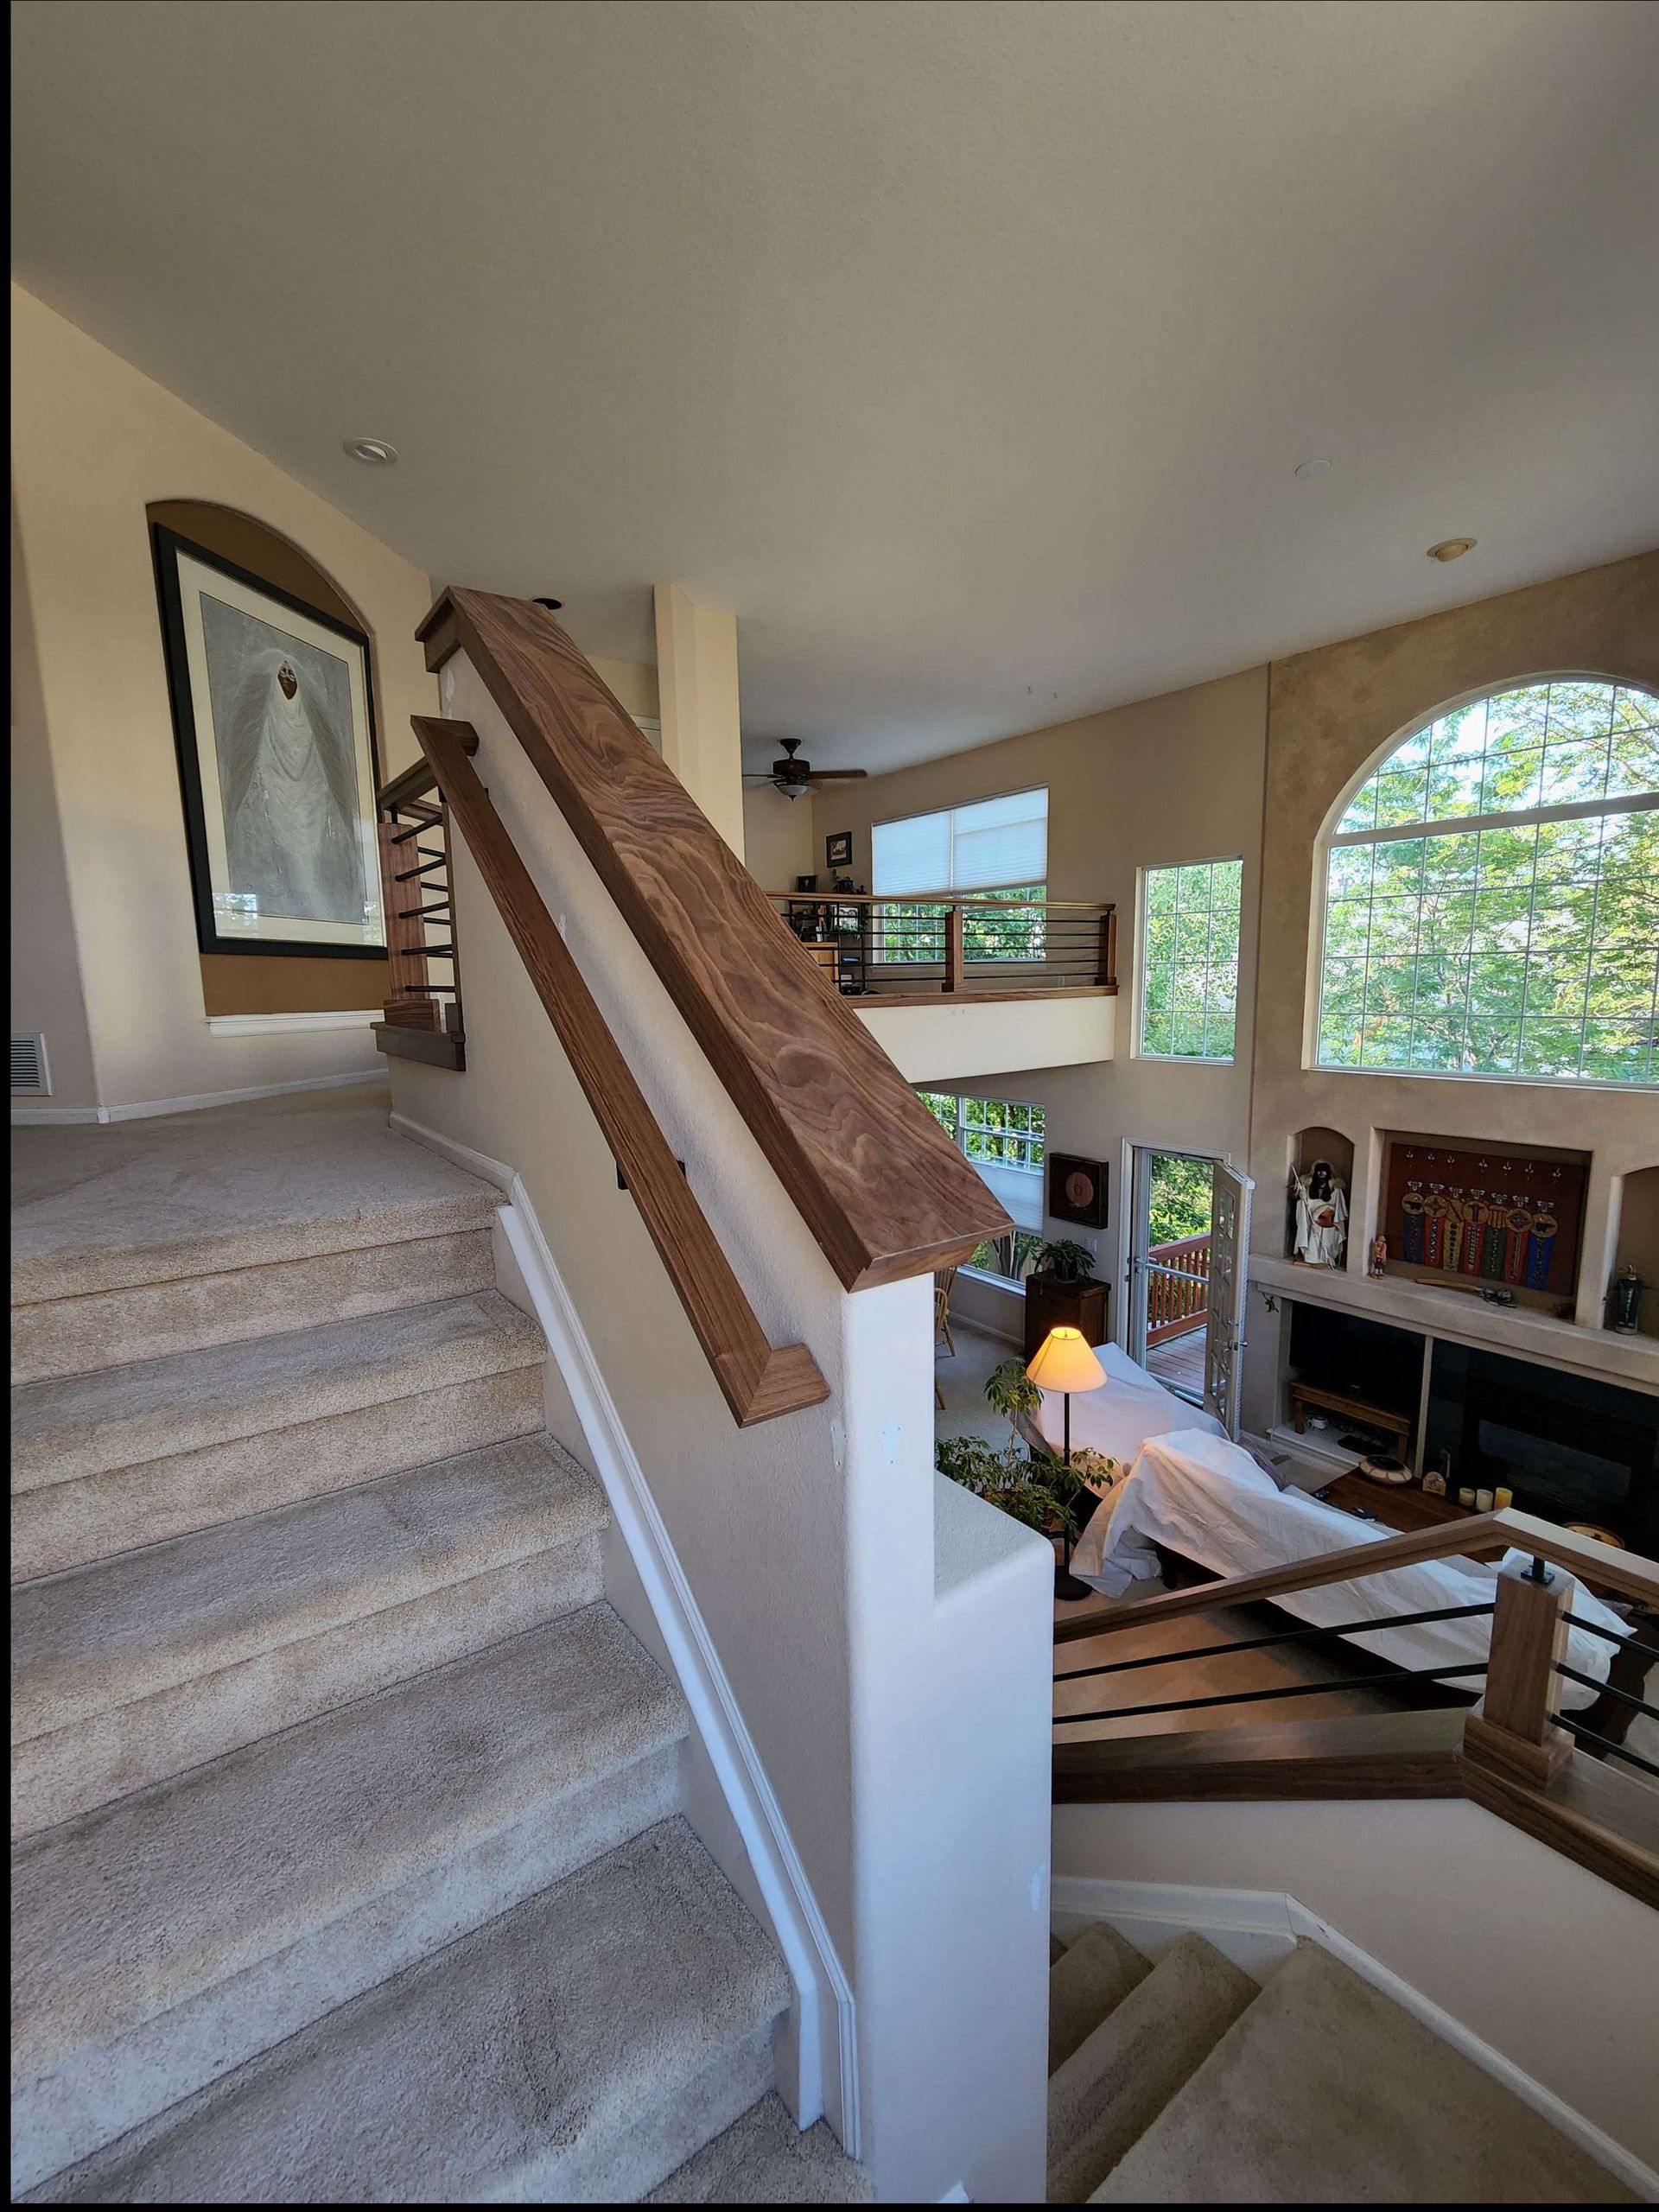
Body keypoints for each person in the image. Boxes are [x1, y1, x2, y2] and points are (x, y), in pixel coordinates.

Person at [217, 641, 364, 925]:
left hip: (311, 797)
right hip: (277, 792)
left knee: (313, 858)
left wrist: (314, 787)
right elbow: (260, 758)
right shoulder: (266, 720)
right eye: (282, 673)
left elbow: (319, 762)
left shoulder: (310, 724)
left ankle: (316, 902)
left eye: (291, 673)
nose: (287, 678)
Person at [1292, 1158, 1348, 1267]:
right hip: (1312, 1222)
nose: (1321, 1173)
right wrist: (1301, 1196)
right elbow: (1303, 1204)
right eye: (1319, 1170)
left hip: (1328, 1225)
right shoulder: (1309, 1188)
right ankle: (1311, 1258)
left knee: (1328, 1240)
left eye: (1324, 1170)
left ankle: (1327, 1259)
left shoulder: (1335, 1190)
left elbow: (1338, 1209)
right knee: (1312, 1241)